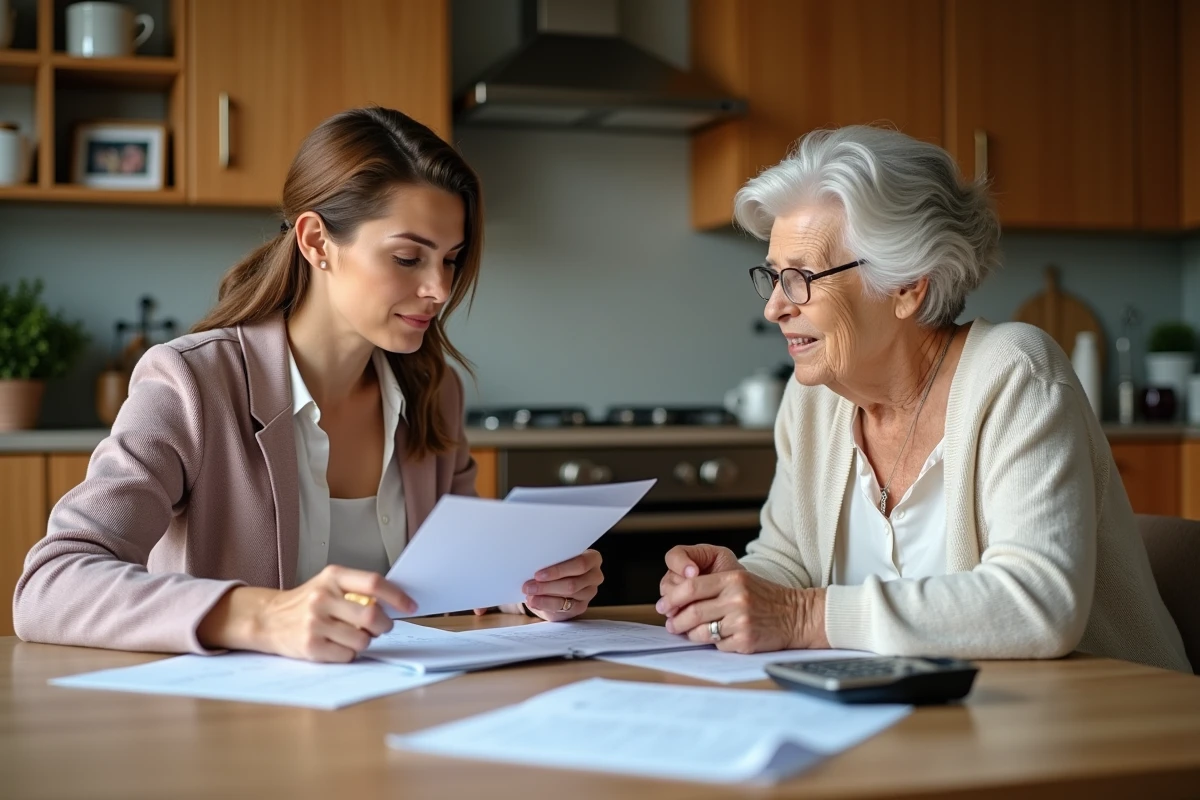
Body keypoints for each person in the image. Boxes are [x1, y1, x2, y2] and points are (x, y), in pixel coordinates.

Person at [14, 107, 603, 663]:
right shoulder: (192, 382)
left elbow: (460, 570)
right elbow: (51, 584)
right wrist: (262, 616)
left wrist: (524, 586)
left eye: (450, 259)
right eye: (407, 258)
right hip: (233, 737)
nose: (440, 290)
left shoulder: (434, 391)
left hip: (407, 726)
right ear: (316, 241)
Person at [657, 125, 1191, 673]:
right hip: (933, 722)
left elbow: (1037, 603)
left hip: (1103, 722)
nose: (775, 308)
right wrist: (732, 587)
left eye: (802, 278)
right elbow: (789, 559)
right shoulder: (812, 400)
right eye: (773, 277)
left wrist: (801, 616)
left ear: (908, 285)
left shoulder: (1016, 373)